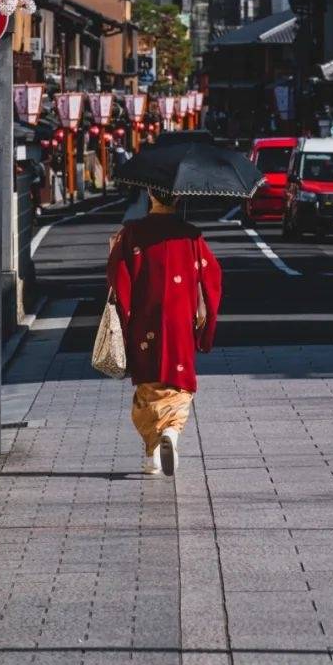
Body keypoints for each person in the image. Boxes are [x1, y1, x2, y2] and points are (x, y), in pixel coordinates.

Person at [106, 191, 222, 478]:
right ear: (178, 200)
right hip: (180, 321)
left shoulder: (132, 233)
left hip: (143, 321)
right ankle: (171, 431)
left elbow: (118, 278)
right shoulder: (191, 236)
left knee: (148, 385)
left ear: (148, 195)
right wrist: (204, 324)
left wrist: (115, 249)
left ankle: (152, 454)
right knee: (178, 382)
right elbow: (212, 278)